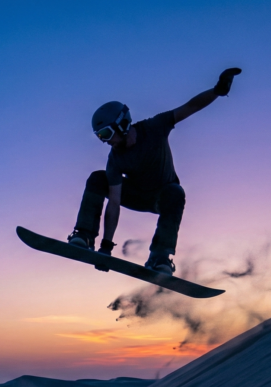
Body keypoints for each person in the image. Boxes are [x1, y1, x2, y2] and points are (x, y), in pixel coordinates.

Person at [68, 68, 242, 276]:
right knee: (98, 178)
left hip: (162, 197)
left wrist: (217, 91)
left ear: (121, 124)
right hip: (136, 196)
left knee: (175, 192)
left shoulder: (155, 127)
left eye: (106, 133)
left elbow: (190, 107)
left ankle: (159, 257)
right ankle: (85, 235)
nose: (105, 141)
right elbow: (114, 203)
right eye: (100, 137)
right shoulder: (115, 159)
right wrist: (105, 248)